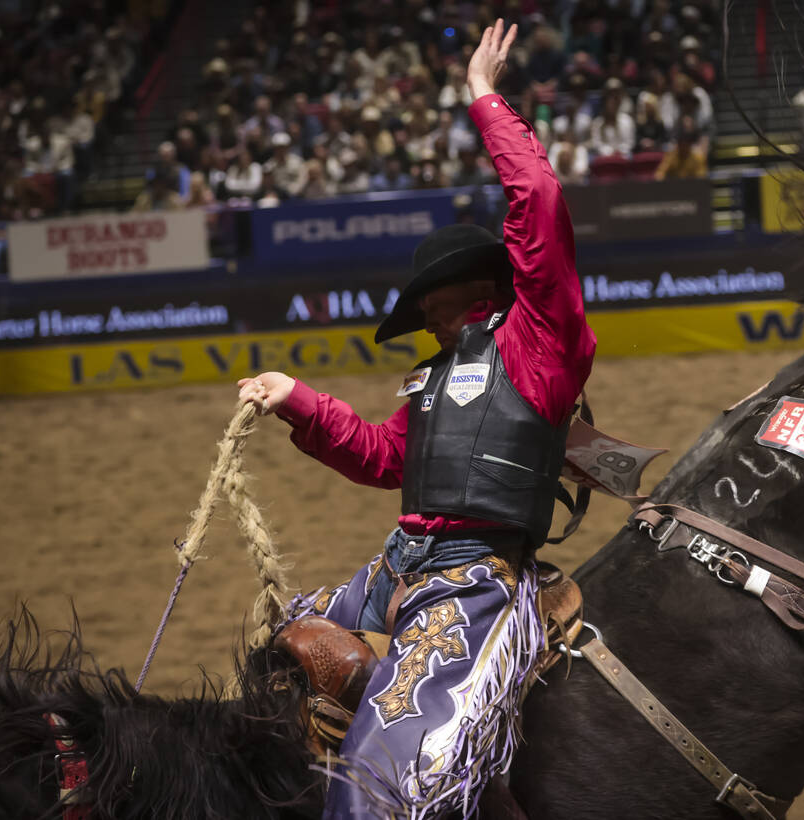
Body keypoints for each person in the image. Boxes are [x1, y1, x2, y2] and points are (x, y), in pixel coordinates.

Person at [237, 19, 595, 819]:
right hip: (398, 569)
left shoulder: (539, 341)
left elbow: (537, 199)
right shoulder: (434, 376)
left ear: (469, 292)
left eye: (429, 307)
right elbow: (380, 457)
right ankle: (374, 691)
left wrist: (483, 98)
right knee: (279, 662)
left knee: (382, 786)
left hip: (475, 582)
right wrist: (298, 397)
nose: (423, 321)